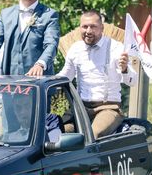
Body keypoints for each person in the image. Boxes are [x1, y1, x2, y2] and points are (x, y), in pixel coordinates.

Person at [57, 10, 137, 138]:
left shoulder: (116, 48)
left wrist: (125, 69)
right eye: (84, 27)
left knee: (92, 135)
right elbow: (65, 75)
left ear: (102, 28)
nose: (88, 31)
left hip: (108, 108)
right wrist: (46, 80)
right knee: (58, 133)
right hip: (81, 108)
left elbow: (133, 81)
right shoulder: (75, 49)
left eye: (93, 26)